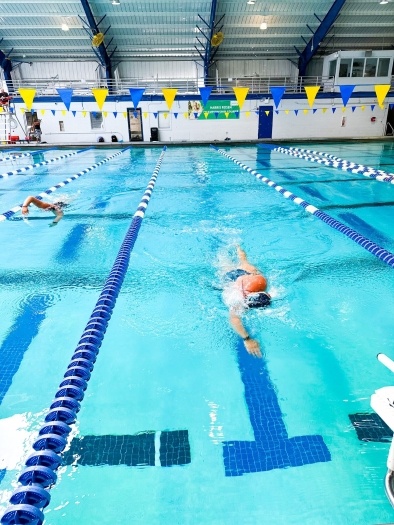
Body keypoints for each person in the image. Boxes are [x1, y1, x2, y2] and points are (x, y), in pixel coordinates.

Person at [222, 246, 271, 358]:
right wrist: (247, 339)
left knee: (242, 262)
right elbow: (234, 319)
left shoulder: (261, 282)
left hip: (246, 276)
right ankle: (236, 247)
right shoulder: (238, 301)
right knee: (226, 265)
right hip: (230, 278)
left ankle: (236, 246)